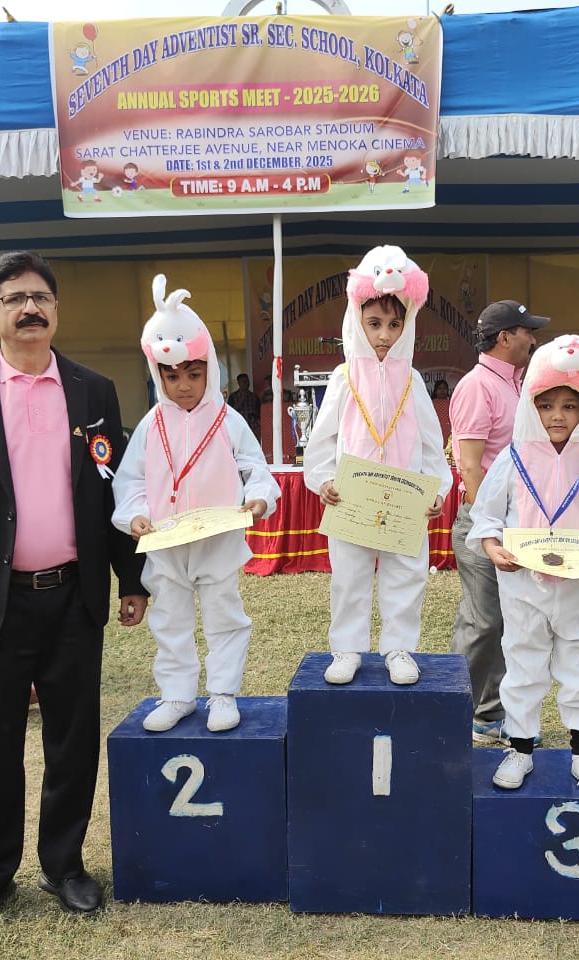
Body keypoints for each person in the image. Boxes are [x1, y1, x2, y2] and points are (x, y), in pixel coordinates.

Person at [0, 251, 148, 946]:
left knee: (73, 739)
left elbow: (112, 492)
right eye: (15, 299)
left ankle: (63, 865)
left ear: (56, 308)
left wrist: (131, 578)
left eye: (40, 297)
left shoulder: (93, 390)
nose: (30, 309)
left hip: (74, 598)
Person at [113, 275, 279, 734]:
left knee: (225, 617)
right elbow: (130, 481)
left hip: (217, 540)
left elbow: (255, 468)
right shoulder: (150, 425)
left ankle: (223, 693)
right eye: (172, 376)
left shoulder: (228, 420)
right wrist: (134, 515)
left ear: (210, 370)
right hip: (165, 543)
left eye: (193, 374)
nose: (183, 386)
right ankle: (178, 695)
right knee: (169, 620)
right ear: (157, 374)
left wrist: (258, 498)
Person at [468, 334, 579, 795]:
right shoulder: (513, 458)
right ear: (530, 407)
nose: (557, 416)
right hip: (523, 586)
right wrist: (492, 547)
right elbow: (486, 515)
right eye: (546, 406)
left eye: (569, 406)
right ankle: (520, 750)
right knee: (523, 665)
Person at [303, 244, 450, 686]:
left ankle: (399, 647)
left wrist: (437, 490)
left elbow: (432, 444)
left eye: (394, 324)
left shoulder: (413, 380)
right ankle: (347, 648)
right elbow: (323, 440)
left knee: (406, 575)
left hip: (405, 501)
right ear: (356, 320)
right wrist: (323, 479)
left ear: (407, 325)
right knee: (349, 576)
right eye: (374, 324)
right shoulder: (343, 377)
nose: (384, 335)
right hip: (352, 499)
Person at [448, 300, 549, 745]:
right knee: (482, 622)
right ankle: (451, 713)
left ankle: (489, 714)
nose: (533, 338)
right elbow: (470, 465)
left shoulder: (516, 384)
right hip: (485, 521)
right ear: (505, 337)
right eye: (527, 331)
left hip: (518, 521)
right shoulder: (477, 386)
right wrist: (486, 524)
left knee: (510, 622)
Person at [226, 372, 262, 437]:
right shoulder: (233, 396)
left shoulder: (254, 397)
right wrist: (242, 399)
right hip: (239, 427)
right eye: (244, 381)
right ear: (239, 383)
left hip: (253, 427)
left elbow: (259, 414)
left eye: (247, 381)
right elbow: (230, 412)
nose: (246, 383)